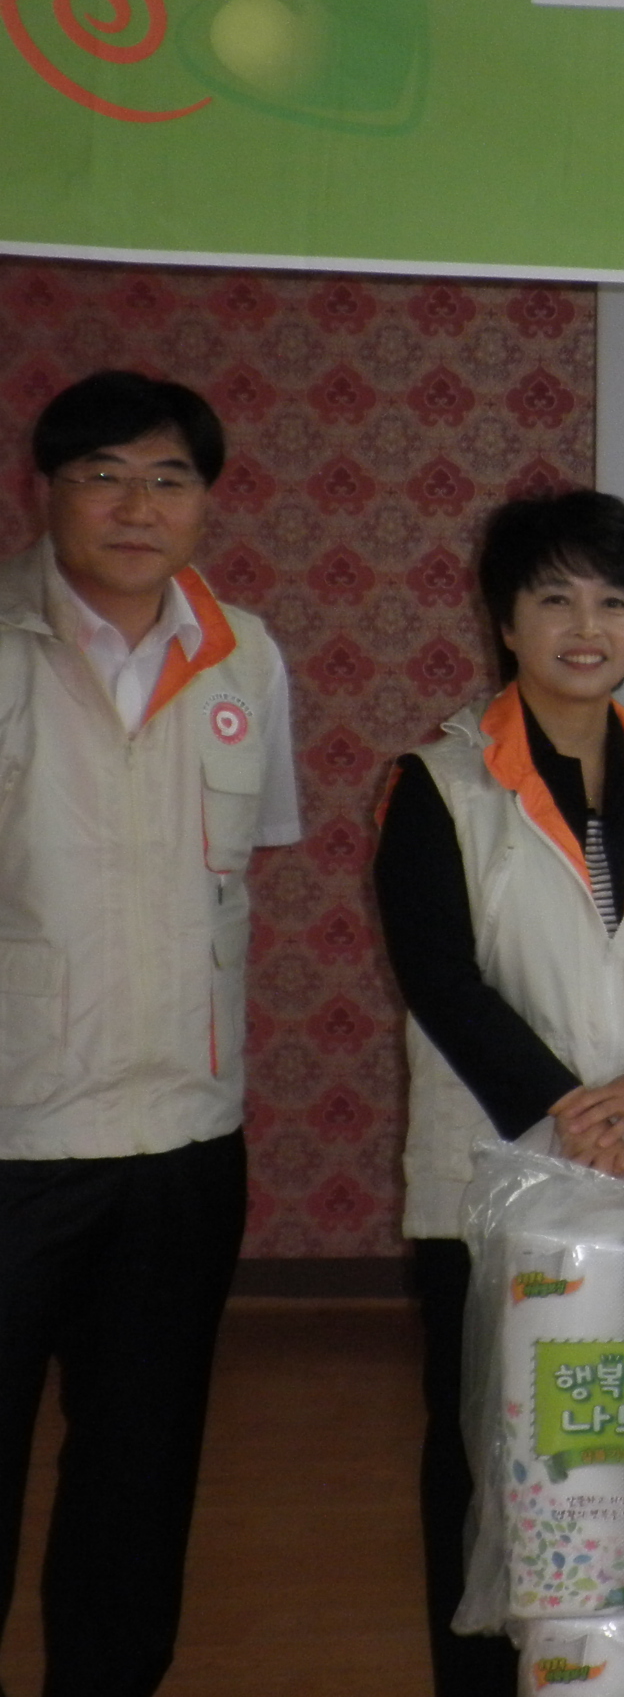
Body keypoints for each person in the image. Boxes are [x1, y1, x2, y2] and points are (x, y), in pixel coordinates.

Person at [0, 371, 300, 1697]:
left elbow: (243, 863)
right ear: (46, 491)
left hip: (183, 1139)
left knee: (141, 1473)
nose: (137, 506)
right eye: (104, 476)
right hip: (14, 1135)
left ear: (206, 502)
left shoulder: (249, 656)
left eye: (169, 479)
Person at [373, 490, 624, 1697]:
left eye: (614, 602)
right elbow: (440, 979)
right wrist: (570, 1108)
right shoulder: (438, 782)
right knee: (487, 1449)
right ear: (503, 621)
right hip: (494, 1171)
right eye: (554, 598)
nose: (585, 627)